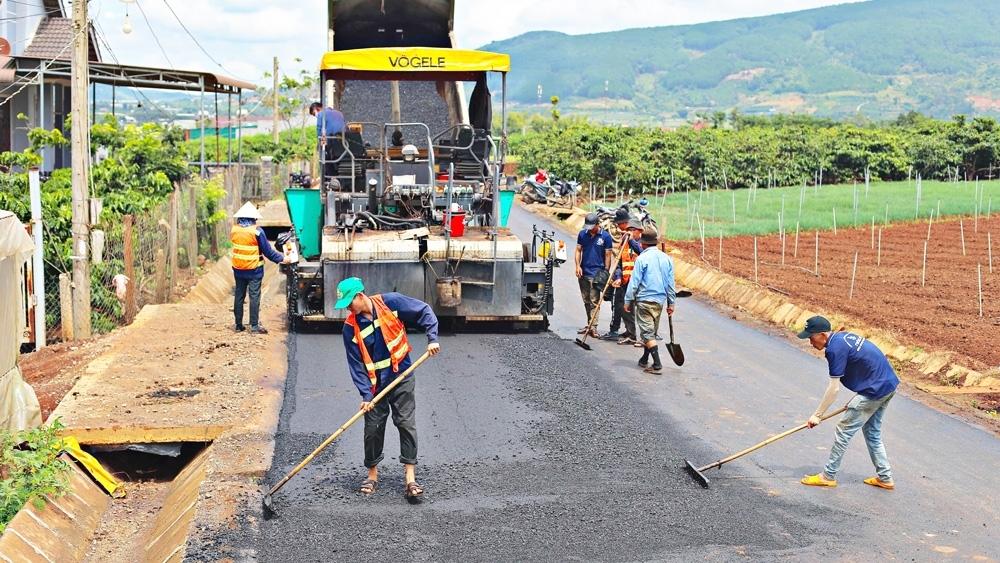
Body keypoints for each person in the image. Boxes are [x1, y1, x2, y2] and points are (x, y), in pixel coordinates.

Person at [336, 277, 441, 499]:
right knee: (373, 428)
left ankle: (410, 478)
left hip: (401, 375)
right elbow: (356, 365)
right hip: (375, 386)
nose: (348, 308)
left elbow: (424, 311)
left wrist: (432, 339)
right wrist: (366, 394)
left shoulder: (391, 303)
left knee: (405, 423)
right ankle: (372, 475)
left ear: (360, 295)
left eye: (349, 302)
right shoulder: (350, 328)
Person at [798, 316, 899, 490]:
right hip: (888, 385)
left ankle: (828, 476)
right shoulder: (842, 337)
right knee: (872, 432)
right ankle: (885, 477)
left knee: (843, 430)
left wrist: (817, 415)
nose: (810, 342)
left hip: (874, 391)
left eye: (811, 337)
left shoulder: (834, 350)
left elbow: (834, 388)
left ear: (822, 335)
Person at [624, 228, 675, 374]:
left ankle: (657, 363)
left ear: (643, 244)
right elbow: (670, 284)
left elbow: (634, 282)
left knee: (647, 334)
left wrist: (628, 300)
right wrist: (671, 303)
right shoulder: (666, 259)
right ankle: (644, 359)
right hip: (659, 301)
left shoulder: (642, 259)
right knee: (651, 332)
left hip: (645, 300)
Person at [231, 203, 287, 334]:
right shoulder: (257, 231)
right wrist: (283, 258)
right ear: (253, 218)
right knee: (254, 296)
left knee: (239, 295)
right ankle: (254, 326)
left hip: (238, 268)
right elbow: (268, 252)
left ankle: (238, 325)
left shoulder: (235, 230)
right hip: (254, 270)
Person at [602, 211, 643, 345]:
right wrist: (618, 276)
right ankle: (628, 331)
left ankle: (633, 335)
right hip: (624, 280)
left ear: (638, 231)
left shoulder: (642, 242)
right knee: (622, 307)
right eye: (628, 230)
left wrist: (631, 240)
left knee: (630, 308)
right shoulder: (624, 242)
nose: (628, 232)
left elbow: (641, 253)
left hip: (636, 283)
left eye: (632, 230)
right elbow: (619, 262)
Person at [575, 212, 613, 337]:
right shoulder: (582, 234)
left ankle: (594, 326)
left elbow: (608, 255)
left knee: (594, 301)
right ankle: (589, 324)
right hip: (583, 272)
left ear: (598, 224)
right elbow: (578, 250)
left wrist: (605, 272)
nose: (590, 229)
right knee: (586, 300)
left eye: (592, 227)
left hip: (597, 274)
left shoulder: (606, 237)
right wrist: (577, 266)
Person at [309, 102, 346, 178]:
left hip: (333, 141)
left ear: (317, 109)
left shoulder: (321, 114)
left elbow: (320, 132)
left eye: (314, 113)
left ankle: (330, 180)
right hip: (345, 142)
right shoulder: (339, 113)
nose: (315, 116)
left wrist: (319, 145)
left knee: (325, 159)